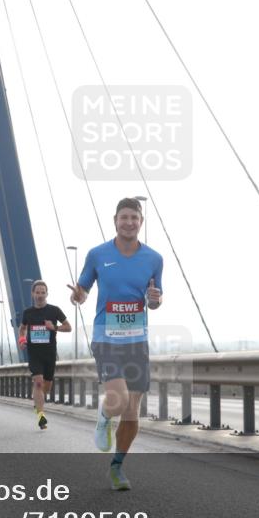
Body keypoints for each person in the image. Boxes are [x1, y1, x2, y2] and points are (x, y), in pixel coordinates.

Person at [69, 198, 163, 490]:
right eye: (124, 217)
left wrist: (155, 301)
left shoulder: (154, 259)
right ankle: (103, 416)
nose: (129, 222)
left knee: (133, 411)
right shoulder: (98, 254)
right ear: (115, 220)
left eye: (134, 217)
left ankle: (117, 467)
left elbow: (154, 298)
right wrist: (79, 296)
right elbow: (82, 288)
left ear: (141, 222)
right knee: (119, 400)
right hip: (106, 338)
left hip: (137, 340)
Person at [18, 280, 70, 430]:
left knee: (46, 385)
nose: (40, 295)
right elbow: (22, 329)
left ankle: (38, 403)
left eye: (43, 292)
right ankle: (41, 415)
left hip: (50, 353)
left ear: (47, 294)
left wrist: (54, 327)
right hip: (34, 354)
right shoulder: (28, 313)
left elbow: (68, 327)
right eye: (37, 292)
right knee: (39, 382)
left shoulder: (54, 311)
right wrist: (22, 339)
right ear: (33, 294)